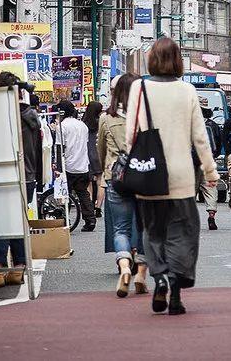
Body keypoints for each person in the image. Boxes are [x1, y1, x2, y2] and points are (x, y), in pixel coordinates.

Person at [126, 38, 218, 315]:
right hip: (181, 177)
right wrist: (210, 171)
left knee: (152, 232)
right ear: (177, 60)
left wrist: (134, 163)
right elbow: (200, 138)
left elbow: (131, 134)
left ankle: (160, 277)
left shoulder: (138, 88)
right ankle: (176, 291)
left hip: (149, 174)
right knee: (183, 234)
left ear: (152, 59)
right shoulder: (187, 90)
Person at [98, 73, 149, 297]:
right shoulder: (145, 115)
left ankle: (125, 265)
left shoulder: (106, 118)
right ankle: (141, 274)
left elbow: (100, 150)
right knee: (146, 226)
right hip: (144, 176)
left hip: (116, 177)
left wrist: (107, 171)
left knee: (121, 228)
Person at [0, 72, 42, 282]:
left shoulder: (1, 116)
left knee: (1, 221)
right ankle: (19, 267)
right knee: (18, 220)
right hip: (27, 176)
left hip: (3, 172)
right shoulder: (31, 116)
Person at [54, 100, 96, 232]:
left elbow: (60, 148)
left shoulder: (62, 126)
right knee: (83, 193)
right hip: (83, 165)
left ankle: (64, 220)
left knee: (64, 195)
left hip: (69, 166)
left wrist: (58, 168)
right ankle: (90, 220)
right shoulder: (82, 125)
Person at [196, 107, 220, 230]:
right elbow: (217, 145)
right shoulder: (212, 125)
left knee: (189, 192)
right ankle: (211, 215)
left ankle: (187, 219)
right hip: (208, 161)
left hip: (191, 162)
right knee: (211, 189)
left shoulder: (186, 123)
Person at [83, 100, 105, 218]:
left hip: (86, 153)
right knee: (100, 180)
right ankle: (98, 208)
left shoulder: (83, 123)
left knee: (88, 182)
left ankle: (90, 205)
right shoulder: (101, 122)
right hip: (98, 153)